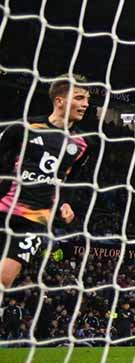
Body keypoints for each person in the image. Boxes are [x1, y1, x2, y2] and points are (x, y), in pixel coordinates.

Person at [0, 76, 93, 290]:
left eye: (87, 99)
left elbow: (72, 178)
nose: (86, 104)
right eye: (79, 98)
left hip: (36, 219)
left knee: (4, 280)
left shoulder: (84, 143)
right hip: (3, 206)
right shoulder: (26, 127)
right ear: (59, 101)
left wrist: (66, 202)